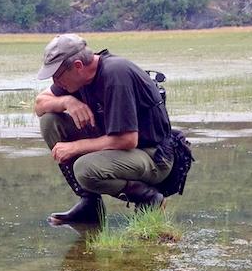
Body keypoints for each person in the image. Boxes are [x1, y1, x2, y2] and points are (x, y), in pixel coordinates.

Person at [34, 33, 174, 227]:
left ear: (77, 66)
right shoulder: (78, 79)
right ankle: (89, 204)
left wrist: (76, 147)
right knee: (50, 120)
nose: (56, 82)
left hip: (151, 156)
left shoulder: (116, 75)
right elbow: (40, 104)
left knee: (84, 168)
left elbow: (127, 140)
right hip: (121, 150)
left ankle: (149, 198)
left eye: (57, 75)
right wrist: (66, 101)